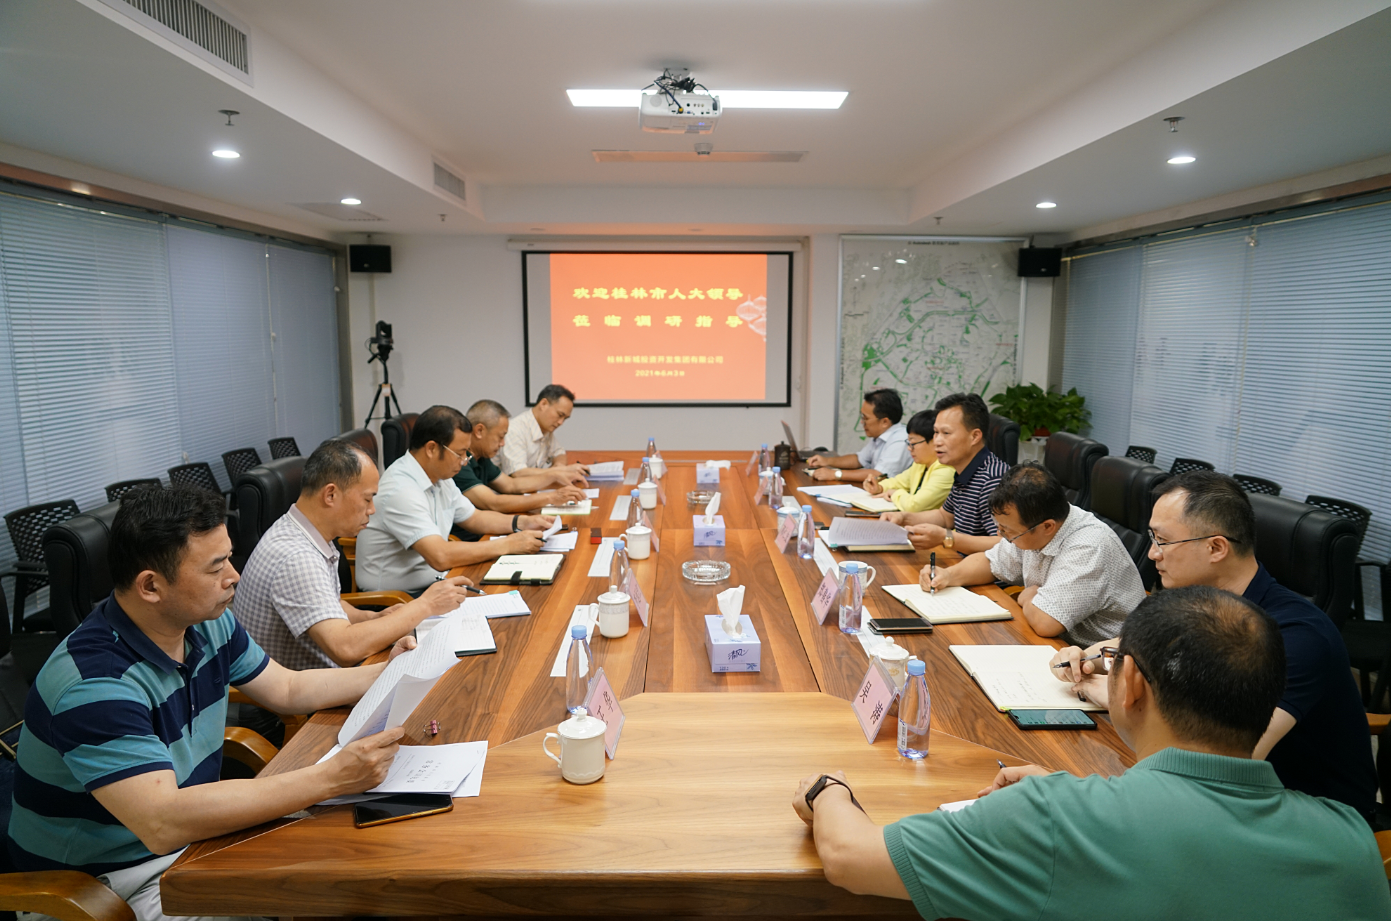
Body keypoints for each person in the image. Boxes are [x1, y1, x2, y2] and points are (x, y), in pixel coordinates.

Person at [791, 586, 1391, 920]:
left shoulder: (1052, 817)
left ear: (1130, 686)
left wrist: (827, 791)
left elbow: (849, 857)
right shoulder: (1350, 842)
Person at [8, 486, 408, 921]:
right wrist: (331, 778)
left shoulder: (204, 622)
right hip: (105, 883)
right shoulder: (94, 683)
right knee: (325, 891)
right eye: (216, 567)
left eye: (229, 558)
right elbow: (163, 822)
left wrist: (392, 670)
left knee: (352, 866)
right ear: (151, 586)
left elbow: (288, 688)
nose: (234, 576)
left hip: (188, 841)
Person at [1052, 471, 1378, 823]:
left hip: (1309, 814)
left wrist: (1117, 696)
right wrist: (1084, 660)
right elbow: (1119, 648)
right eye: (1152, 538)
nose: (1153, 553)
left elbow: (1227, 762)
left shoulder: (1298, 636)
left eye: (1163, 541)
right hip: (1221, 794)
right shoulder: (1195, 604)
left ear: (1216, 548)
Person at [235, 438, 474, 670]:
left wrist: (372, 618)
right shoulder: (296, 557)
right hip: (312, 694)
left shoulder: (302, 532)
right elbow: (345, 648)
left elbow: (327, 604)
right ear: (330, 495)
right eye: (367, 499)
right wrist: (426, 605)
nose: (372, 509)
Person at [923, 463, 1142, 645]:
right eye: (1000, 527)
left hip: (1104, 659)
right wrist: (948, 575)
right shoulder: (1032, 525)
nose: (1001, 535)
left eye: (1008, 531)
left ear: (1047, 527)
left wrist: (1026, 597)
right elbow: (991, 561)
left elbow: (1046, 623)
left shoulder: (1088, 546)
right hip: (1060, 645)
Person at [355, 405, 554, 592]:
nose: (464, 461)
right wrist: (508, 544)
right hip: (398, 600)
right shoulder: (400, 490)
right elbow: (440, 556)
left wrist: (522, 522)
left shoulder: (440, 477)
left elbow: (475, 518)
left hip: (438, 582)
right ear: (432, 449)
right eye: (460, 454)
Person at [883, 392, 1007, 555]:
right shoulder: (963, 470)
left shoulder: (993, 480)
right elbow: (945, 517)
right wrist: (903, 518)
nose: (937, 441)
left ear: (975, 436)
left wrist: (946, 538)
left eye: (946, 433)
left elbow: (1005, 544)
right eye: (936, 432)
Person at [453, 399, 588, 516]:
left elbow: (511, 485)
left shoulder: (481, 458)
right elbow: (493, 502)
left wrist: (553, 477)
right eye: (500, 437)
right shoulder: (459, 462)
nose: (503, 443)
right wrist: (551, 497)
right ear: (479, 431)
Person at [806, 389, 911, 482]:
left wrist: (835, 474)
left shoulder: (900, 440)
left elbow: (879, 475)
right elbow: (858, 459)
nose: (862, 422)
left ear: (884, 422)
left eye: (866, 418)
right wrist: (826, 461)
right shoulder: (880, 436)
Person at [861, 410, 953, 513]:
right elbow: (898, 482)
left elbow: (915, 505)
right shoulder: (921, 464)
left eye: (913, 443)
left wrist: (895, 493)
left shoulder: (946, 470)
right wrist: (879, 487)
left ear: (934, 441)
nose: (909, 448)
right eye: (909, 443)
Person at [496, 383, 588, 484]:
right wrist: (559, 471)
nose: (561, 422)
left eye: (565, 418)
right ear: (543, 404)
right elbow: (518, 473)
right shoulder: (515, 430)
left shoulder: (545, 429)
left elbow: (559, 453)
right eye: (560, 415)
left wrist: (559, 465)